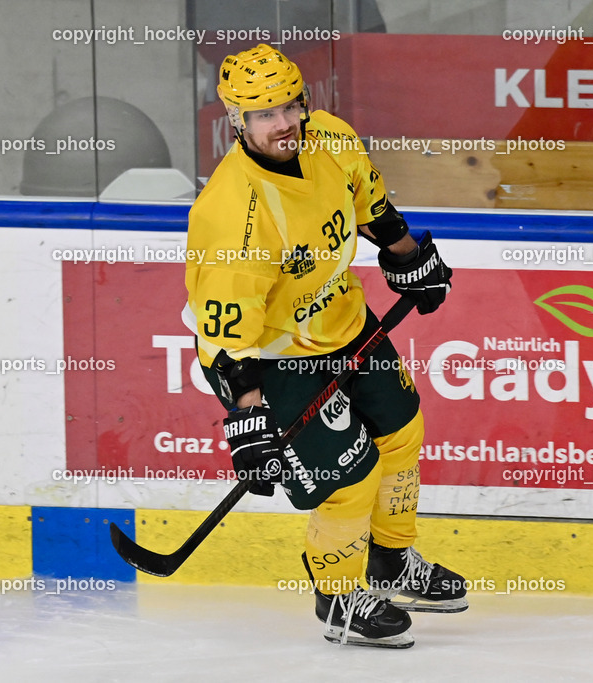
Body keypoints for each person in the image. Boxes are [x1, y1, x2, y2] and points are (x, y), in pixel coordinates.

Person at [184, 44, 465, 649]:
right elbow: (225, 342)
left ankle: (391, 562)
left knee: (401, 433)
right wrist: (250, 418)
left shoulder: (331, 140)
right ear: (236, 121)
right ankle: (338, 598)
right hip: (273, 358)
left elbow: (372, 208)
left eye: (288, 105)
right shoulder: (236, 216)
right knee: (348, 482)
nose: (281, 123)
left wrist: (407, 259)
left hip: (344, 320)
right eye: (262, 114)